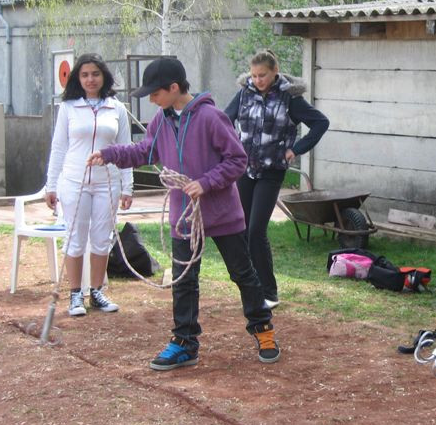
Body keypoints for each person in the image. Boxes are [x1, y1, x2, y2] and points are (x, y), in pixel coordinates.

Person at [89, 57, 280, 368]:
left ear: (173, 88)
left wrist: (205, 183)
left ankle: (263, 329)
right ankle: (184, 342)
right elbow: (145, 151)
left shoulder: (211, 117)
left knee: (243, 274)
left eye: (155, 93)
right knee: (184, 280)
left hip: (222, 215)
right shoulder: (161, 121)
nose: (151, 99)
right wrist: (110, 154)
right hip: (184, 217)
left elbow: (237, 160)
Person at [224, 50, 329, 308]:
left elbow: (320, 123)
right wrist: (230, 147)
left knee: (257, 230)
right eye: (254, 75)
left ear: (274, 72)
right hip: (244, 170)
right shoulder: (244, 94)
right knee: (242, 229)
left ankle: (269, 293)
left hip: (272, 171)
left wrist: (297, 148)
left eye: (263, 75)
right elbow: (224, 120)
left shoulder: (289, 97)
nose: (258, 80)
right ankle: (251, 287)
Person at [45, 53, 133, 317]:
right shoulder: (69, 108)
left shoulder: (117, 108)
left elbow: (126, 149)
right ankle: (75, 295)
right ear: (77, 78)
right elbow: (59, 147)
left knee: (102, 238)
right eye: (84, 75)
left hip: (108, 182)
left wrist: (128, 187)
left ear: (103, 76)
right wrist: (51, 184)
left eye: (95, 74)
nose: (90, 79)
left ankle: (96, 291)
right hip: (75, 181)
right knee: (75, 238)